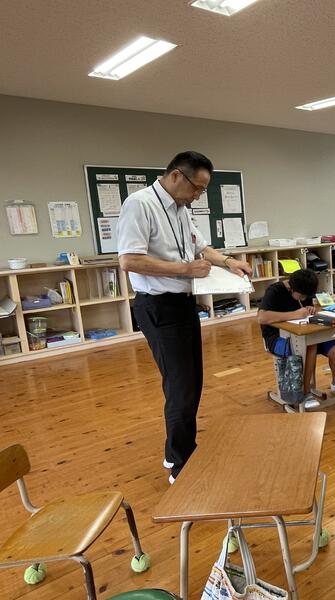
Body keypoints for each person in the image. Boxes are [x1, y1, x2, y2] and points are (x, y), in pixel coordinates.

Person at [117, 150, 251, 484]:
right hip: (158, 306)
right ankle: (179, 463)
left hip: (183, 303)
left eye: (203, 190)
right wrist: (185, 269)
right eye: (198, 188)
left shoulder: (180, 209)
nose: (198, 196)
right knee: (180, 386)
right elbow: (129, 260)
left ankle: (181, 450)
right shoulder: (140, 205)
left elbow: (201, 248)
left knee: (192, 382)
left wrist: (229, 262)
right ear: (177, 175)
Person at [257, 269, 335, 399]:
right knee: (310, 348)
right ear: (291, 288)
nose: (304, 299)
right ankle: (304, 393)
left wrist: (311, 309)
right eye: (302, 296)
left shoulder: (305, 289)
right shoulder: (274, 291)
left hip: (305, 333)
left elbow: (306, 310)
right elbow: (262, 317)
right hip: (277, 338)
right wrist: (294, 314)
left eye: (306, 296)